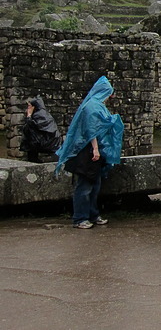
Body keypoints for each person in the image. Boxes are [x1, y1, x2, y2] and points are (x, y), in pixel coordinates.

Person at [55, 77, 123, 229]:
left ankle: (93, 214)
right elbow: (91, 129)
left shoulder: (98, 105)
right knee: (85, 186)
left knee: (95, 185)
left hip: (95, 152)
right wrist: (96, 149)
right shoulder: (91, 106)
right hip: (87, 152)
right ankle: (80, 218)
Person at [20, 97, 61, 163]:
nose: (28, 108)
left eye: (29, 106)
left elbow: (30, 128)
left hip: (48, 143)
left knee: (30, 137)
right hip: (48, 141)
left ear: (34, 106)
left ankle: (34, 158)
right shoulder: (42, 113)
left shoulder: (40, 114)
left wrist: (29, 116)